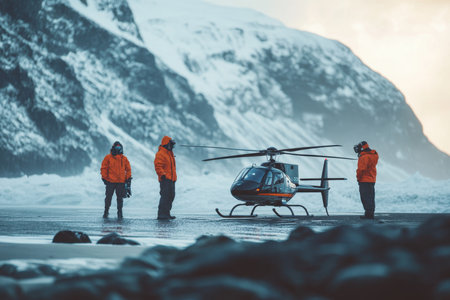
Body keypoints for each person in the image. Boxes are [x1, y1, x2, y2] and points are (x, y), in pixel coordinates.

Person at [101, 141, 132, 219]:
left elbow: (128, 169)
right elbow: (104, 168)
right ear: (113, 148)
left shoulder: (124, 159)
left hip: (121, 182)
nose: (118, 149)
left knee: (120, 198)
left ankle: (120, 213)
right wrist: (104, 178)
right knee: (108, 197)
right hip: (110, 182)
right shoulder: (108, 157)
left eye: (119, 147)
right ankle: (106, 211)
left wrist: (128, 178)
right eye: (116, 147)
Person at [354, 141, 379, 219]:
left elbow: (361, 169)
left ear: (362, 148)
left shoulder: (364, 157)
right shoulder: (373, 155)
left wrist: (358, 178)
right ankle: (370, 213)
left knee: (365, 197)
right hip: (371, 179)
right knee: (371, 197)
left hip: (364, 180)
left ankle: (368, 214)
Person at [154, 136, 177, 220]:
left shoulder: (170, 154)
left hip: (171, 179)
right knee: (165, 196)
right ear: (166, 144)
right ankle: (162, 214)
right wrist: (162, 174)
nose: (172, 146)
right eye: (171, 144)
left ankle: (167, 213)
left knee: (171, 196)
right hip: (165, 179)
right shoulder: (160, 153)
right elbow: (158, 166)